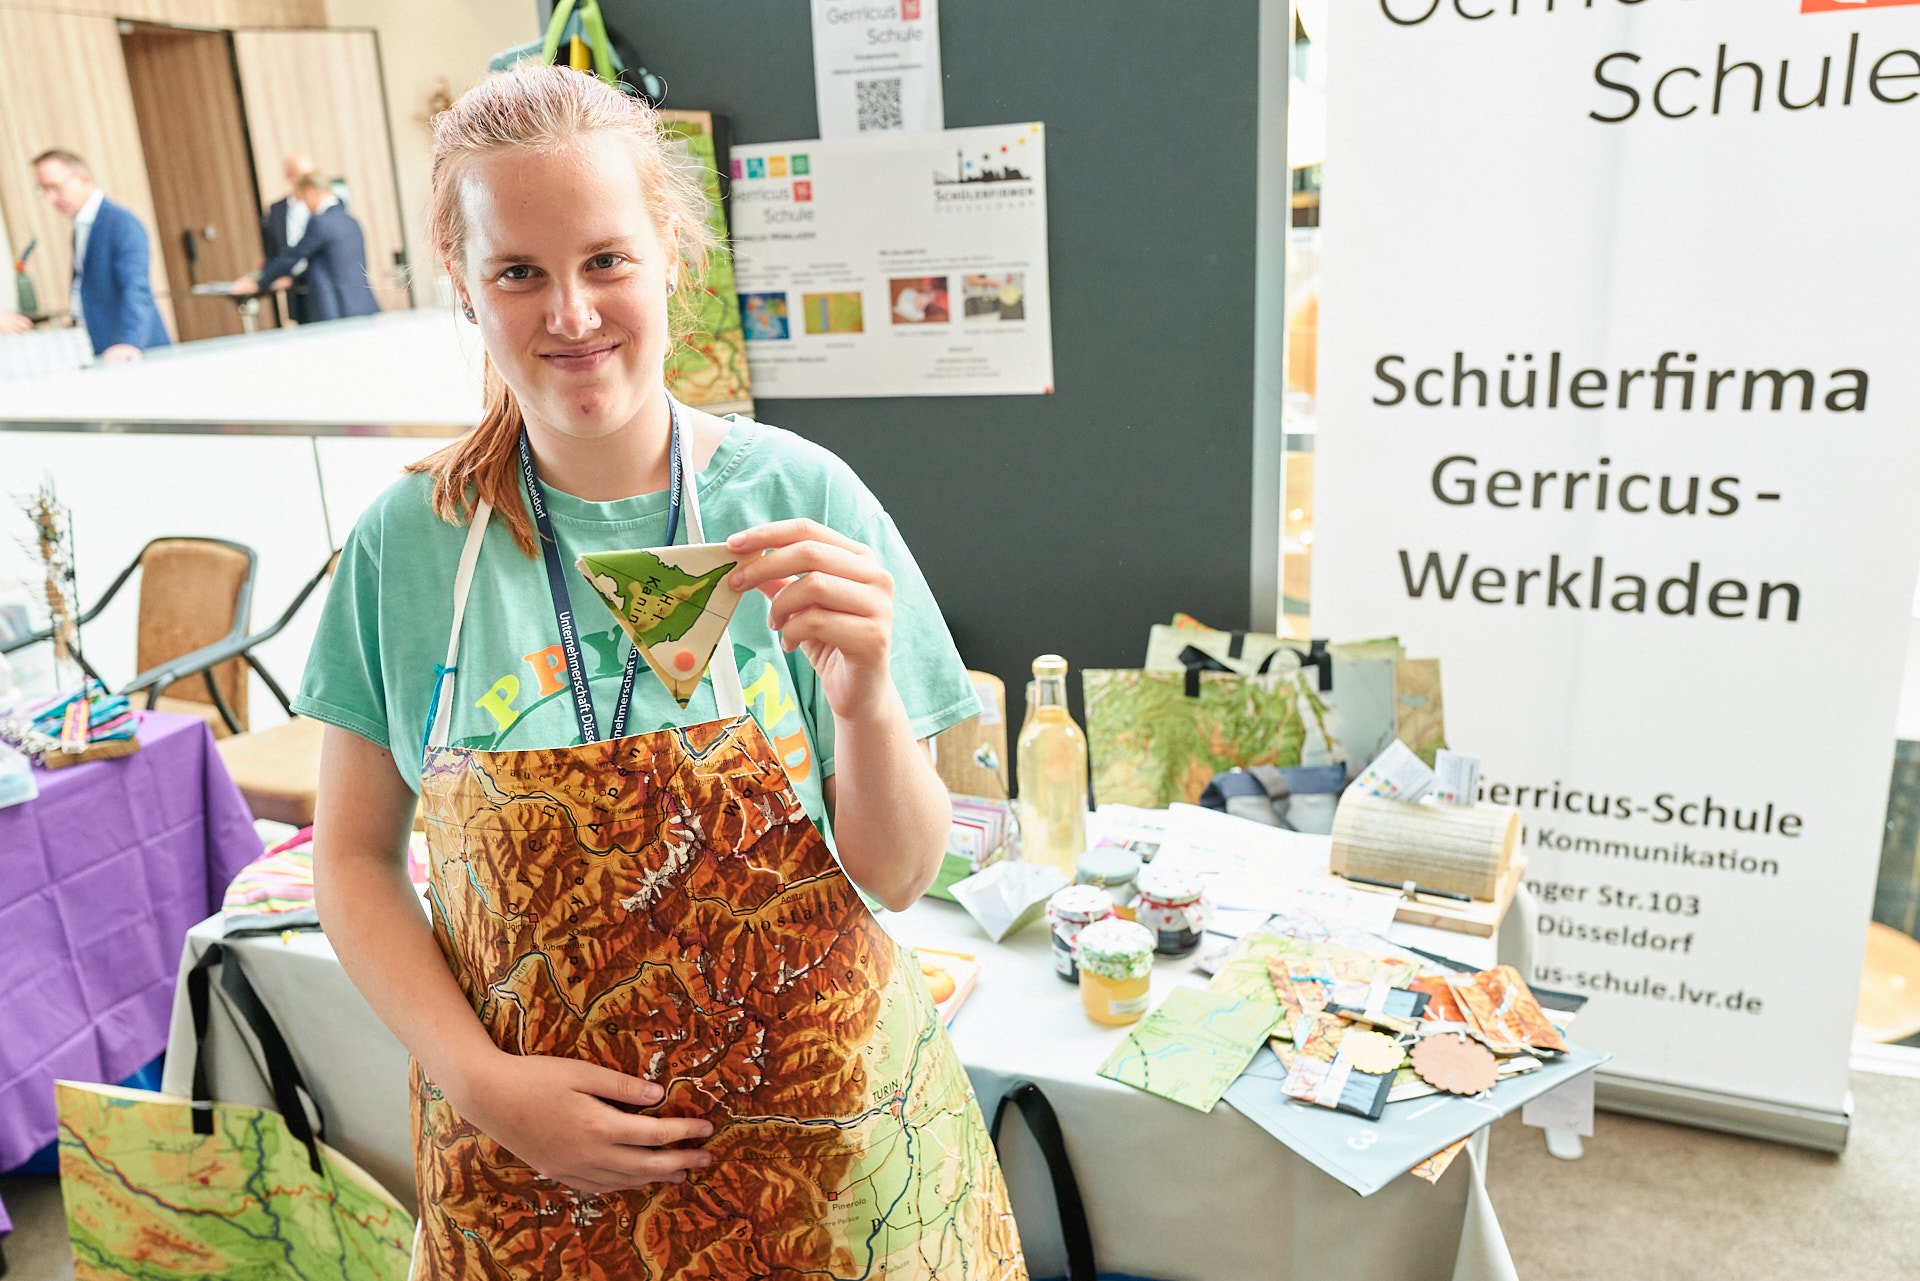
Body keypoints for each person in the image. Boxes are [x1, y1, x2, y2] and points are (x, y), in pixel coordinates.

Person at [297, 65, 1025, 1279]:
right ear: (463, 287)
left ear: (673, 256)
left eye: (607, 260)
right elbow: (354, 861)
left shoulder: (800, 500)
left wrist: (867, 702)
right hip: (535, 1181)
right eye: (518, 273)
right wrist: (482, 1084)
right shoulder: (410, 544)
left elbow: (899, 875)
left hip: (826, 1166)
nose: (571, 312)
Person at [32, 150, 169, 362]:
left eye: (56, 187)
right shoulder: (81, 226)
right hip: (104, 350)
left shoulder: (121, 223)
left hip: (131, 351)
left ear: (83, 178)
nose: (51, 199)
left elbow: (136, 288)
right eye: (44, 190)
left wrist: (131, 342)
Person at [231, 172, 379, 322]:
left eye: (302, 199)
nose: (305, 206)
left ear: (309, 192)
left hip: (337, 309)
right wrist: (292, 280)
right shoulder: (350, 220)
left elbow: (292, 257)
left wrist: (258, 281)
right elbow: (331, 265)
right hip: (363, 306)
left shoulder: (321, 222)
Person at [259, 152, 318, 322]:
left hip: (320, 287)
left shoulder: (324, 208)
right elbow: (272, 252)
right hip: (294, 290)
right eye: (301, 175)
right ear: (288, 176)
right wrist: (263, 278)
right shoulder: (276, 210)